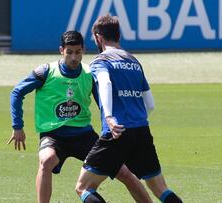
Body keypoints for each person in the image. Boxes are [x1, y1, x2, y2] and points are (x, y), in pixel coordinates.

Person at [7, 31, 152, 203]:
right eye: (69, 52)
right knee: (46, 161)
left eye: (78, 52)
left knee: (124, 172)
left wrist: (113, 125)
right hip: (53, 135)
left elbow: (105, 105)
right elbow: (17, 92)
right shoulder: (45, 72)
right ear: (61, 50)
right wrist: (17, 126)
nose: (74, 57)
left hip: (84, 135)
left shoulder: (90, 73)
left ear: (83, 50)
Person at [74, 15, 183, 203]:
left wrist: (109, 116)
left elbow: (105, 83)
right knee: (160, 189)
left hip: (116, 131)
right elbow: (150, 104)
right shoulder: (134, 61)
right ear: (118, 35)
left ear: (98, 37)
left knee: (84, 187)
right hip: (141, 131)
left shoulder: (100, 61)